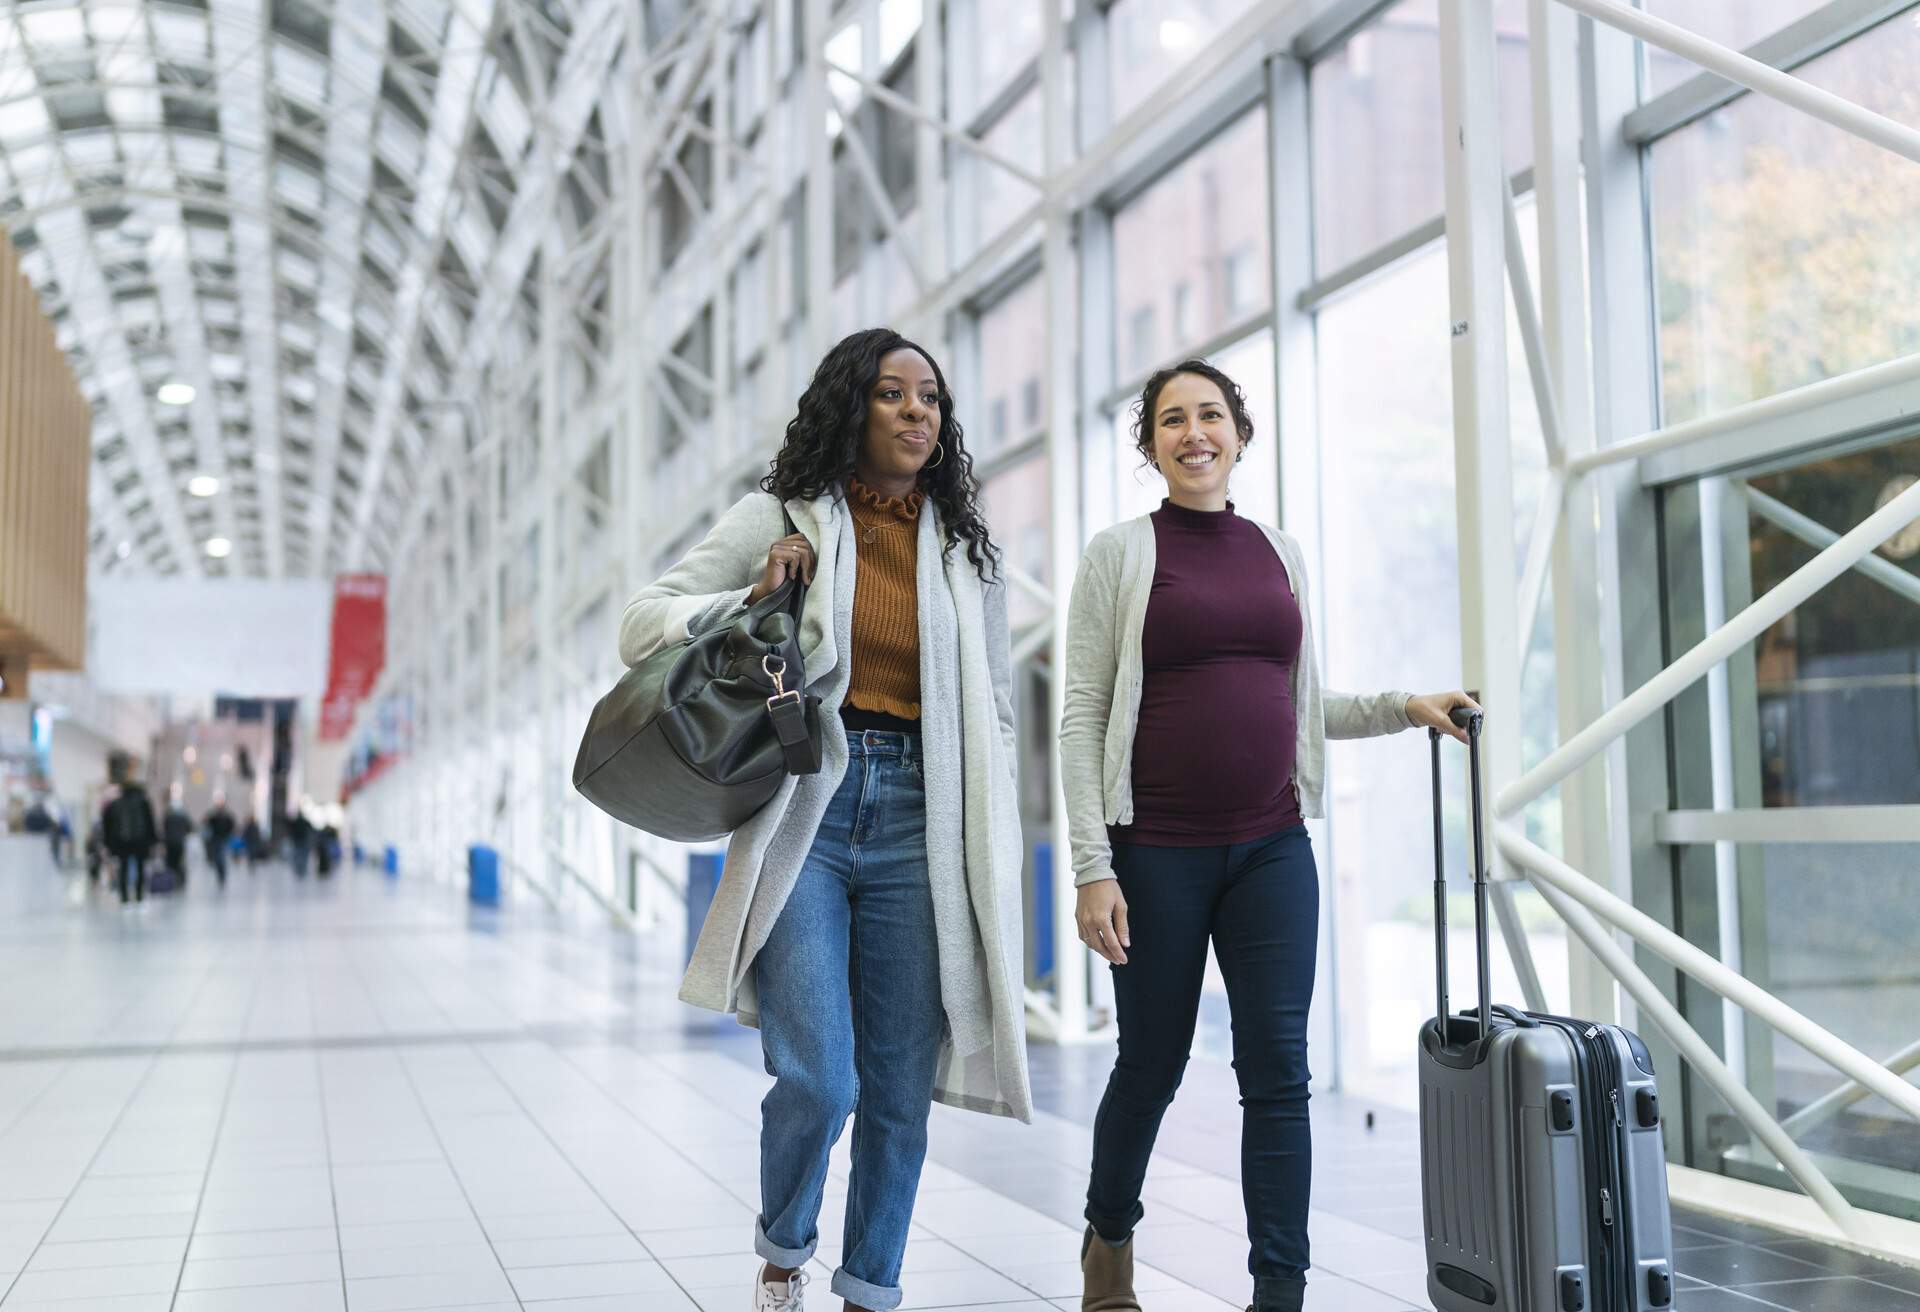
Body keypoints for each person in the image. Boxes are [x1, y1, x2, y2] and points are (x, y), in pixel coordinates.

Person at [620, 327, 1028, 1312]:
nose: (918, 411)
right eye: (893, 394)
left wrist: (997, 844)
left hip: (923, 821)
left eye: (930, 396)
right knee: (820, 1079)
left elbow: (999, 712)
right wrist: (751, 592)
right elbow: (642, 619)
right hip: (809, 802)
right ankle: (782, 1247)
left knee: (896, 1094)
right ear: (853, 407)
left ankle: (870, 1290)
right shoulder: (782, 516)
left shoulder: (967, 549)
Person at [1060, 360, 1480, 1312]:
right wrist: (1094, 867)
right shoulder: (1120, 555)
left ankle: (1278, 1291)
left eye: (1211, 415)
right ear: (1151, 445)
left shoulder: (1277, 552)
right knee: (1151, 1064)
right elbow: (1083, 714)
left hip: (1271, 848)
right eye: (1173, 420)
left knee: (1278, 1069)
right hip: (1154, 851)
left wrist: (1403, 706)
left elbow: (1294, 701)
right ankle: (1110, 1237)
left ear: (1240, 435)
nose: (1194, 432)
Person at [101, 759, 159, 906]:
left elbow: (107, 825)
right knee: (140, 868)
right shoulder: (144, 802)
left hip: (121, 842)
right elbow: (150, 823)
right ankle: (139, 897)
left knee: (123, 868)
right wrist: (154, 841)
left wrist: (107, 843)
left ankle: (125, 898)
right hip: (141, 841)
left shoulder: (115, 803)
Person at [203, 795, 236, 886]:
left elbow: (231, 826)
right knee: (217, 858)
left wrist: (229, 835)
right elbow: (208, 824)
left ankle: (222, 875)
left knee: (221, 857)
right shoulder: (214, 816)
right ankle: (220, 875)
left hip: (223, 839)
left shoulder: (227, 816)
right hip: (215, 839)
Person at [162, 795, 193, 891]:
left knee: (171, 862)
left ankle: (172, 880)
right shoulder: (183, 817)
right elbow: (189, 828)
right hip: (180, 842)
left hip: (170, 842)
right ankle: (180, 880)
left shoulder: (168, 816)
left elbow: (165, 828)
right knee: (180, 861)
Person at [287, 808, 313, 877]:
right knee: (302, 855)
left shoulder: (296, 821)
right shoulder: (304, 821)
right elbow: (310, 828)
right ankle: (302, 869)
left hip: (297, 840)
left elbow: (289, 827)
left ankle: (299, 869)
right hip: (302, 840)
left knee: (298, 855)